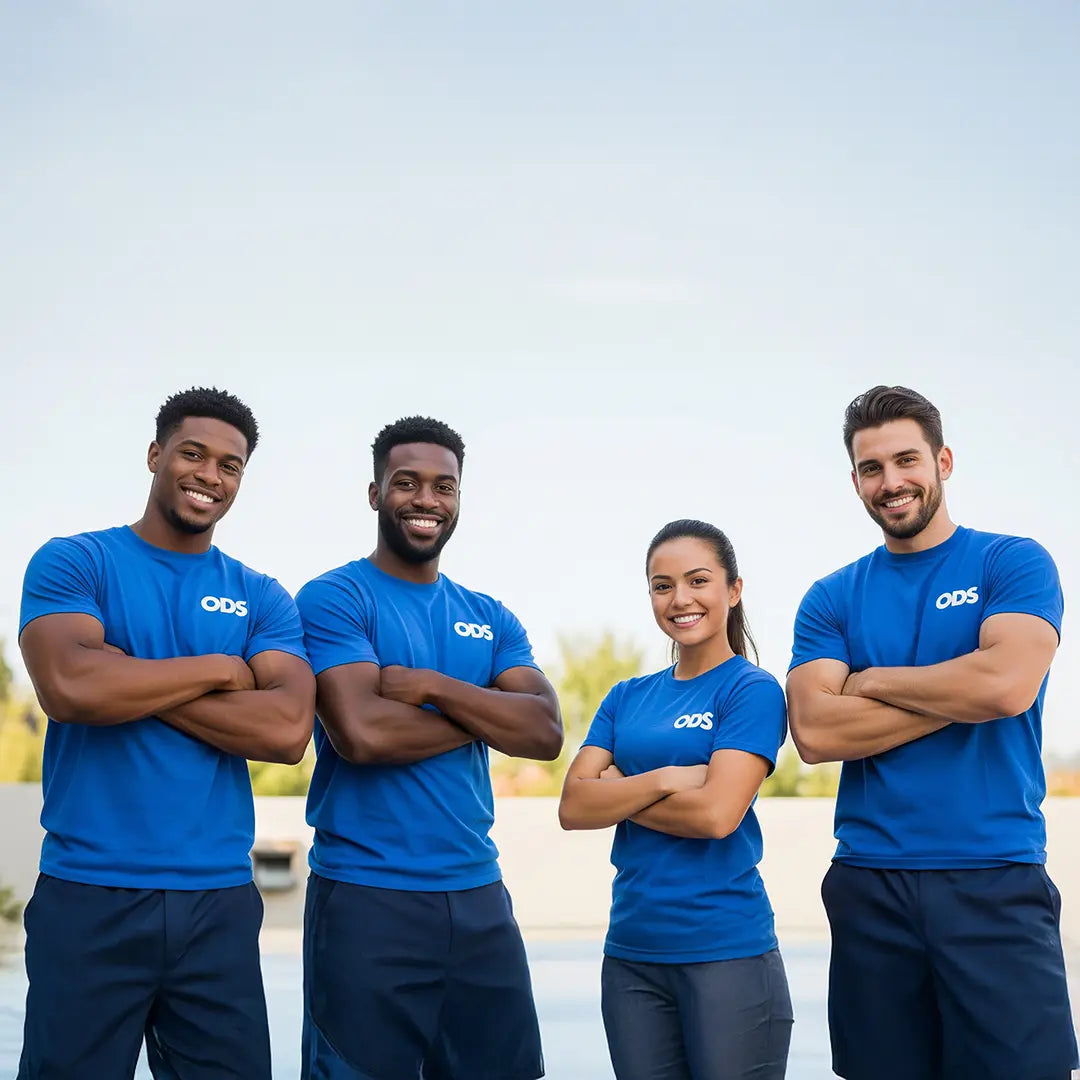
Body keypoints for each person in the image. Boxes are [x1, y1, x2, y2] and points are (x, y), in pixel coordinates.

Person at [16, 387, 315, 1079]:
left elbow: (286, 729)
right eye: (192, 453)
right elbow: (70, 689)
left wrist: (126, 674)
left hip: (217, 903)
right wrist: (220, 669)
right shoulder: (76, 562)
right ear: (155, 455)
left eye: (230, 466)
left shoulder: (261, 595)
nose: (210, 475)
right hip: (90, 892)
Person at [786, 385, 1077, 1080]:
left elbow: (1006, 687)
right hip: (870, 883)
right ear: (855, 481)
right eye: (871, 468)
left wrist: (873, 681)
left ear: (943, 461)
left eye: (906, 460)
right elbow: (816, 731)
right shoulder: (832, 596)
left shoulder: (1011, 562)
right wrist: (967, 688)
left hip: (993, 877)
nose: (891, 482)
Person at [295, 415, 563, 1080]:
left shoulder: (489, 615)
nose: (426, 499)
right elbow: (363, 734)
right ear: (375, 493)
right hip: (366, 896)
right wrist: (486, 711)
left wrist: (436, 688)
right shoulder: (335, 597)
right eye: (406, 482)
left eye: (444, 486)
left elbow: (544, 733)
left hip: (478, 896)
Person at [559, 519, 792, 1080]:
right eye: (662, 586)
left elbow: (715, 815)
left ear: (733, 590)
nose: (680, 598)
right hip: (631, 956)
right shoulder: (626, 696)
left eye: (698, 580)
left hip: (726, 953)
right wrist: (665, 778)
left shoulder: (752, 691)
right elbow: (573, 807)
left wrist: (617, 789)